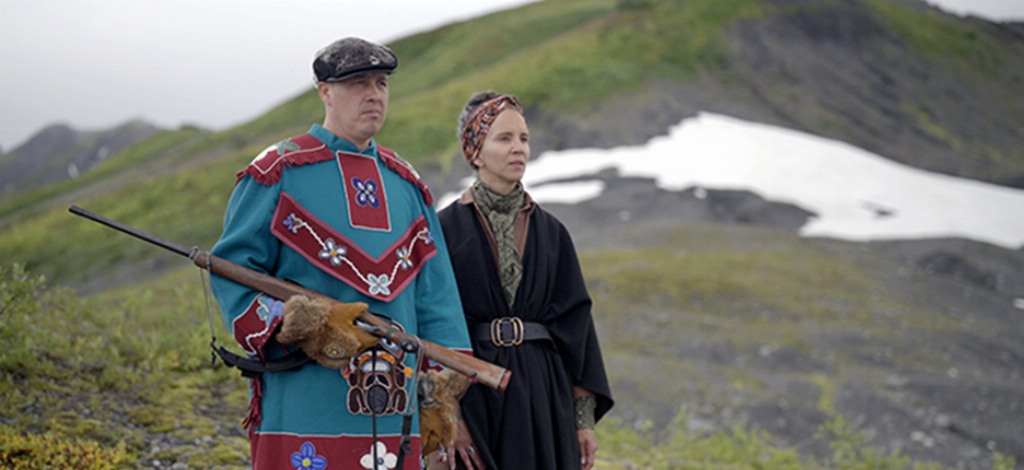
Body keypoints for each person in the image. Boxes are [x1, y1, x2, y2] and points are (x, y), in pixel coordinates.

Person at [209, 37, 472, 469]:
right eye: (357, 83)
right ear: (325, 91)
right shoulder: (277, 171)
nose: (374, 94)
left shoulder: (407, 185)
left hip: (398, 405)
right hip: (305, 396)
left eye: (381, 83)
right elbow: (232, 272)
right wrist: (295, 321)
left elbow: (435, 295)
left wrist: (439, 389)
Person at [436, 92, 614, 470]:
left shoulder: (553, 232)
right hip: (474, 394)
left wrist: (582, 420)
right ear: (475, 152)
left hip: (544, 395)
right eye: (504, 138)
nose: (518, 148)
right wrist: (450, 414)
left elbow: (576, 326)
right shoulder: (443, 230)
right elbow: (432, 325)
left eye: (523, 138)